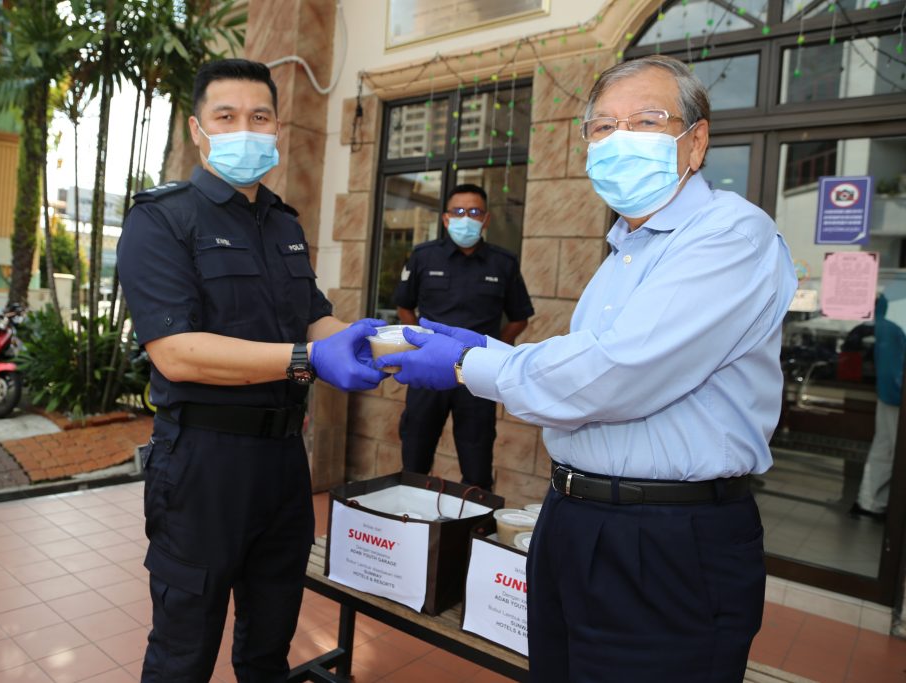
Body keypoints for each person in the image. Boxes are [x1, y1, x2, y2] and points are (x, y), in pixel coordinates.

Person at [376, 54, 797, 682]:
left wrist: (468, 361)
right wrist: (479, 349)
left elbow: (615, 372)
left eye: (647, 121)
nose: (619, 140)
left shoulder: (731, 236)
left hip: (667, 539)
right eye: (603, 128)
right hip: (576, 520)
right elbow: (585, 364)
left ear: (696, 141)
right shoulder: (623, 254)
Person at [116, 58, 387, 683]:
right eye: (227, 116)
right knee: (183, 651)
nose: (246, 128)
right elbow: (175, 351)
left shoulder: (284, 223)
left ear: (277, 128)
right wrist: (309, 359)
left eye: (259, 116)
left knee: (269, 643)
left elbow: (315, 319)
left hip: (284, 464)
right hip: (202, 464)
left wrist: (389, 345)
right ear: (197, 128)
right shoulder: (162, 219)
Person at [393, 183, 534, 490]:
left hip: (477, 376)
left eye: (473, 212)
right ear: (445, 219)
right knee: (415, 455)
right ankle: (411, 524)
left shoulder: (503, 263)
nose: (465, 218)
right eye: (458, 211)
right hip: (428, 373)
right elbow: (404, 307)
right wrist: (421, 343)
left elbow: (520, 316)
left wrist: (488, 349)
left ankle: (473, 530)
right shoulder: (423, 257)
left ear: (486, 219)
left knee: (477, 459)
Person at [850, 294, 906, 520]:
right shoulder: (895, 314)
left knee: (885, 449)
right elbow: (895, 367)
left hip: (889, 393)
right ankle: (871, 502)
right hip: (896, 395)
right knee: (893, 449)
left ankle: (870, 502)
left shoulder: (889, 310)